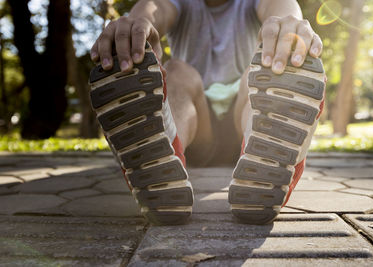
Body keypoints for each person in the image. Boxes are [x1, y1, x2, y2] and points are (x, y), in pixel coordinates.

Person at [89, 0, 325, 225]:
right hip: (195, 120)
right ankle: (164, 151)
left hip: (245, 119)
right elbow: (154, 9)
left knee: (258, 74)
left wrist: (289, 25)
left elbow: (281, 8)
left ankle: (270, 153)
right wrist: (136, 27)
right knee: (178, 71)